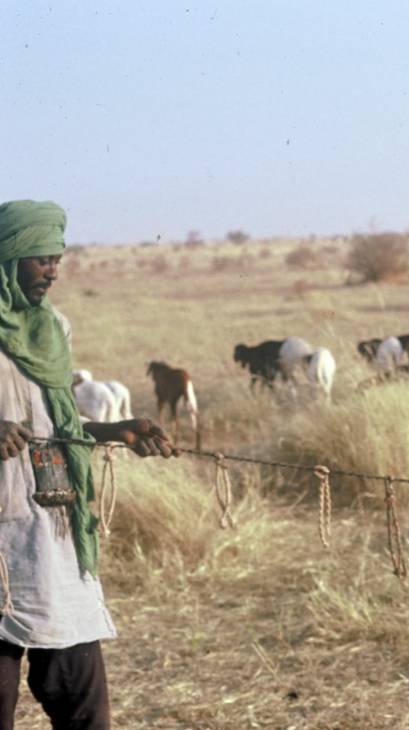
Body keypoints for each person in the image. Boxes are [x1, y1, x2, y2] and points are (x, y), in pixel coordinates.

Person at [0, 200, 177, 729]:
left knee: (84, 705)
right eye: (39, 259)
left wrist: (112, 431)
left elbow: (55, 423)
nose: (52, 271)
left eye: (57, 258)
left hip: (53, 530)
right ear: (8, 258)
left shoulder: (54, 329)